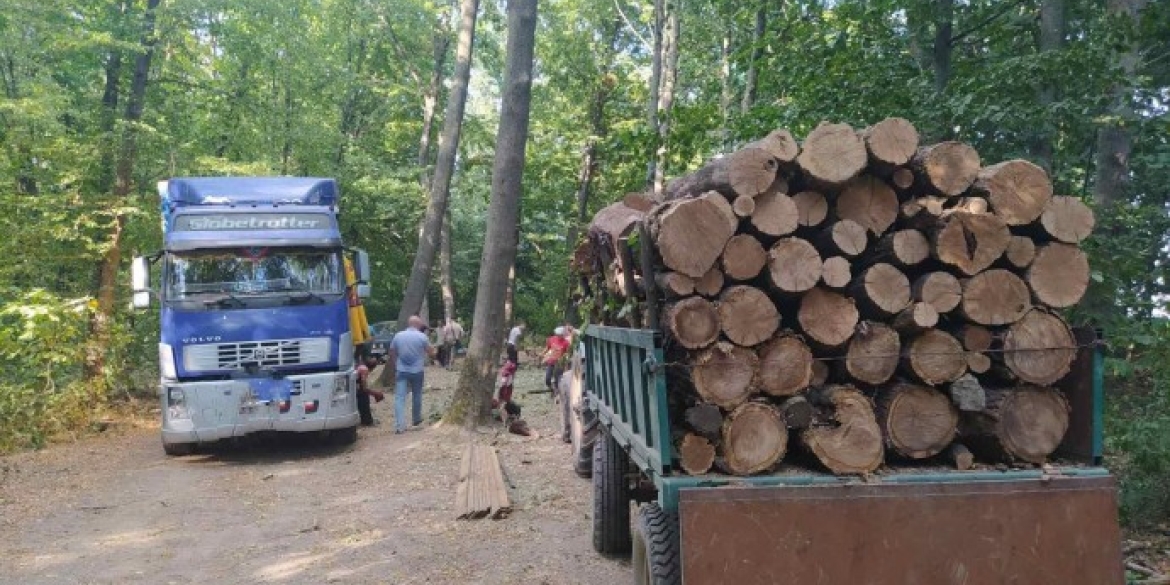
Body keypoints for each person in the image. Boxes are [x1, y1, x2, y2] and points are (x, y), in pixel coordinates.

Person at [387, 315, 436, 434]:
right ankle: (416, 419)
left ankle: (399, 425)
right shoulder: (422, 336)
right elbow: (431, 352)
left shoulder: (398, 335)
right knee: (417, 394)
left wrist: (395, 363)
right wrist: (432, 352)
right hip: (417, 370)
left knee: (400, 397)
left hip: (402, 370)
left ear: (409, 324)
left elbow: (392, 351)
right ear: (418, 325)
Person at [355, 349, 385, 427]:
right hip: (357, 387)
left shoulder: (361, 365)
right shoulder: (364, 369)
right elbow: (363, 382)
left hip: (356, 386)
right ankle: (367, 421)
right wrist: (370, 391)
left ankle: (365, 420)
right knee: (364, 401)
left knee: (362, 401)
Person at [542, 326, 571, 395]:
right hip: (551, 361)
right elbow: (547, 348)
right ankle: (551, 388)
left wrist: (565, 360)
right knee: (547, 379)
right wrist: (542, 354)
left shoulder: (566, 343)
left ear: (562, 335)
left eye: (560, 335)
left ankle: (558, 393)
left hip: (559, 363)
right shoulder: (551, 339)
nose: (558, 336)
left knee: (557, 379)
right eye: (557, 335)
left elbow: (568, 353)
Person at [492, 358, 521, 423]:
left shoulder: (507, 375)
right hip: (504, 395)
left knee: (502, 406)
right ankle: (505, 418)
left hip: (505, 395)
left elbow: (504, 384)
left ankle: (506, 420)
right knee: (501, 405)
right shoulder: (507, 375)